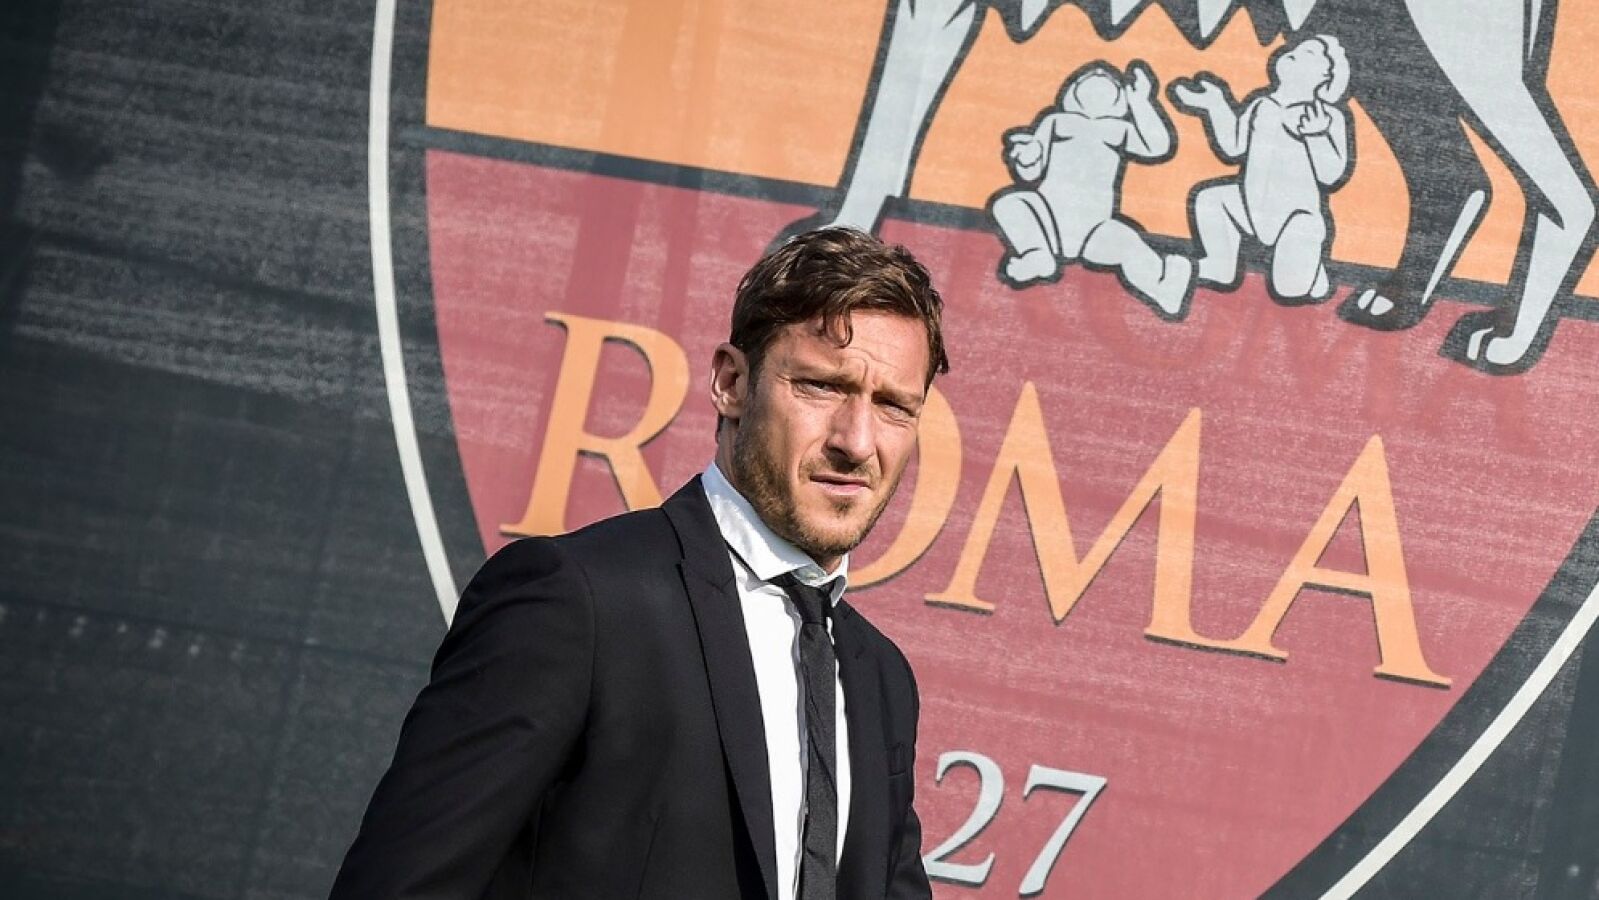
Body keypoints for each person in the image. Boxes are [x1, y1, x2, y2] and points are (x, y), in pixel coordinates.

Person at [330, 227, 946, 899]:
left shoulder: (880, 679)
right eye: (822, 387)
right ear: (731, 383)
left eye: (893, 406)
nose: (857, 442)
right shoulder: (578, 603)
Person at [991, 60, 1193, 319]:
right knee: (1010, 203)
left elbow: (1157, 146)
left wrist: (1141, 101)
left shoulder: (1118, 129)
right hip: (1046, 219)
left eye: (1108, 82)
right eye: (1089, 79)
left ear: (1120, 98)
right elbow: (1030, 173)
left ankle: (1163, 286)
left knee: (1128, 242)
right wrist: (1026, 156)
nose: (1099, 75)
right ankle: (1036, 253)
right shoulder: (1056, 121)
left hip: (1095, 230)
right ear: (1072, 91)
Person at [1171, 35, 1352, 304]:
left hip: (1296, 217)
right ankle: (1220, 265)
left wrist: (1317, 136)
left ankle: (1314, 275)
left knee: (1290, 289)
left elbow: (1331, 175)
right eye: (1295, 50)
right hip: (1250, 207)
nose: (1293, 53)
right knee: (1211, 198)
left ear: (1325, 75)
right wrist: (1215, 105)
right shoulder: (1262, 104)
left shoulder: (1327, 116)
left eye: (1310, 54)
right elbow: (1234, 147)